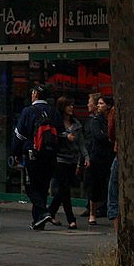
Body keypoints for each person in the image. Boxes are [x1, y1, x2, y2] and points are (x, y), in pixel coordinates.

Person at [13, 84, 62, 230]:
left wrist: (15, 153)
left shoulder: (28, 111)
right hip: (50, 155)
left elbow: (19, 135)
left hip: (32, 154)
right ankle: (38, 221)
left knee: (30, 186)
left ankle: (43, 212)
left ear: (35, 94)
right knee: (43, 186)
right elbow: (61, 134)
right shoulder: (54, 112)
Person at [44, 96, 87, 229]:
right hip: (60, 158)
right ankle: (71, 219)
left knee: (64, 188)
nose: (71, 108)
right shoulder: (57, 123)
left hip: (72, 158)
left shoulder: (77, 125)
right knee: (65, 187)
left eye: (72, 106)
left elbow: (81, 143)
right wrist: (65, 136)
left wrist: (85, 157)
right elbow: (52, 137)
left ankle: (50, 212)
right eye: (68, 105)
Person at [82, 93, 112, 225]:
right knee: (94, 185)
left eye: (101, 104)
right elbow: (99, 137)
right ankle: (92, 213)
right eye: (98, 103)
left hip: (110, 156)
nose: (99, 106)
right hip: (97, 156)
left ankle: (107, 209)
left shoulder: (112, 119)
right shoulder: (95, 121)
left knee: (109, 184)